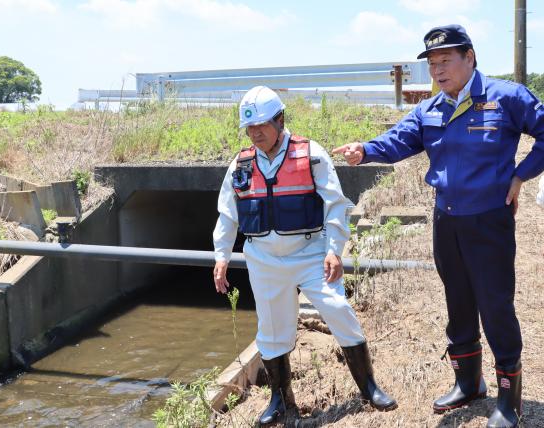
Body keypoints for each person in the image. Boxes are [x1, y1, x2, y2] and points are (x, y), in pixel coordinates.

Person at [333, 25, 544, 428]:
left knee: (495, 304)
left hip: (489, 220)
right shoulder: (430, 109)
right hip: (446, 220)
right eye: (432, 64)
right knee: (458, 299)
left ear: (470, 57)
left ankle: (509, 398)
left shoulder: (506, 97)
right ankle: (469, 382)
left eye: (446, 60)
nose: (438, 70)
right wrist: (365, 150)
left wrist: (521, 175)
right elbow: (398, 140)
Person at [212, 85, 397, 425]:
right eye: (250, 128)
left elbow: (336, 205)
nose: (255, 134)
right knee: (272, 330)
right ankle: (282, 401)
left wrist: (333, 250)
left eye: (262, 126)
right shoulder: (240, 164)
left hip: (311, 252)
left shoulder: (311, 154)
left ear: (280, 120)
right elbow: (228, 213)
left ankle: (368, 388)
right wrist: (221, 255)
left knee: (338, 309)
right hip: (264, 259)